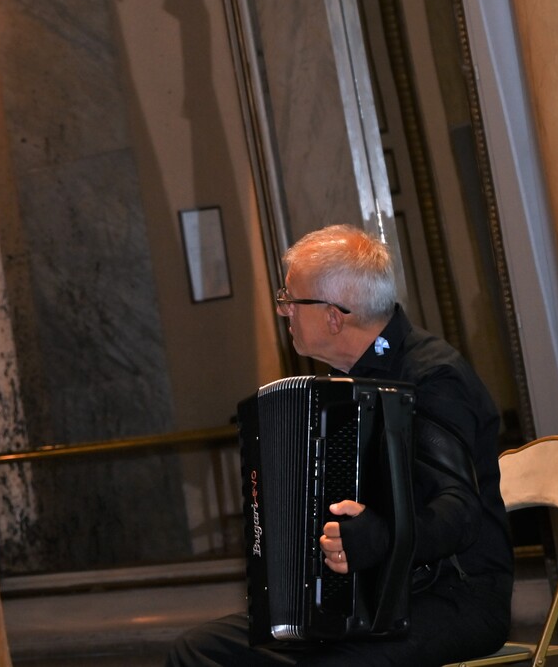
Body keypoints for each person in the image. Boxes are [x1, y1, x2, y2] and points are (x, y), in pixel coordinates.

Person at [168, 224, 513, 666]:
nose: (283, 311)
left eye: (290, 300)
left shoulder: (433, 378)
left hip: (450, 597)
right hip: (361, 596)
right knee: (198, 651)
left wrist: (382, 538)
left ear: (333, 315)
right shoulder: (339, 390)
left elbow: (459, 513)